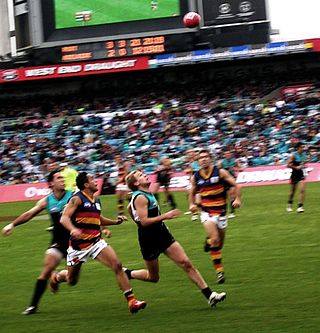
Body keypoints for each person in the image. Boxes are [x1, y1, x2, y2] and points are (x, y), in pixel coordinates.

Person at [124, 170, 226, 308]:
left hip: (162, 233)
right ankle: (128, 273)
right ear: (136, 183)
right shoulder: (140, 197)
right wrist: (166, 215)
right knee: (153, 277)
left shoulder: (146, 194)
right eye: (141, 175)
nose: (145, 175)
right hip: (148, 239)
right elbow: (144, 222)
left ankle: (210, 295)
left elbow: (130, 208)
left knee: (186, 263)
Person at [50, 172, 146, 314]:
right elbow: (64, 218)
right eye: (92, 179)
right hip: (78, 247)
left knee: (117, 265)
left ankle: (132, 301)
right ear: (86, 184)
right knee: (71, 280)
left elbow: (98, 218)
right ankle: (57, 277)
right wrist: (73, 229)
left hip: (96, 242)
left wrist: (114, 222)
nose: (96, 181)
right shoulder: (77, 199)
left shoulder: (97, 200)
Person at [1, 169, 73, 315]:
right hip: (58, 242)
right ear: (51, 183)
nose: (62, 180)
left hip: (75, 243)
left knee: (72, 279)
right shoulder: (47, 200)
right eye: (58, 178)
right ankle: (32, 306)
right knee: (46, 270)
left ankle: (57, 277)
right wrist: (12, 224)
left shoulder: (73, 197)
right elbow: (29, 214)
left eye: (63, 178)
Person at [189, 149, 241, 284]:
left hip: (222, 212)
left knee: (219, 244)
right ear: (198, 161)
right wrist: (191, 204)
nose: (204, 159)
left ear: (210, 158)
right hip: (207, 212)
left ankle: (208, 242)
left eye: (206, 157)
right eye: (201, 158)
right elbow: (192, 191)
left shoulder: (221, 172)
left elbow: (236, 185)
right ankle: (220, 272)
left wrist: (237, 199)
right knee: (216, 239)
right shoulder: (196, 176)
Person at [220, 149, 243, 219]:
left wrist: (235, 169)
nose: (227, 155)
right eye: (225, 154)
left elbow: (240, 169)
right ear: (224, 155)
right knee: (223, 197)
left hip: (232, 180)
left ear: (230, 154)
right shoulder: (222, 162)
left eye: (228, 153)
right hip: (224, 181)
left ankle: (232, 212)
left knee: (232, 196)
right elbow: (219, 170)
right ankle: (223, 212)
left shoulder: (234, 161)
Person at [286, 142, 308, 213]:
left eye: (303, 147)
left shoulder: (304, 155)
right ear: (298, 148)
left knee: (302, 190)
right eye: (302, 147)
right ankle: (289, 205)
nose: (303, 148)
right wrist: (296, 167)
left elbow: (303, 163)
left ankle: (300, 207)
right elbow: (288, 165)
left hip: (301, 173)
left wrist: (304, 164)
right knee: (293, 191)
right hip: (294, 174)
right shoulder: (294, 155)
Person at [183, 148, 200, 221]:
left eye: (191, 152)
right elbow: (188, 172)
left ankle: (196, 210)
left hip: (200, 181)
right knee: (189, 193)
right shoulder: (189, 162)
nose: (190, 154)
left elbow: (197, 170)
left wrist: (190, 170)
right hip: (193, 182)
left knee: (198, 199)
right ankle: (194, 213)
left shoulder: (197, 161)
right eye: (188, 153)